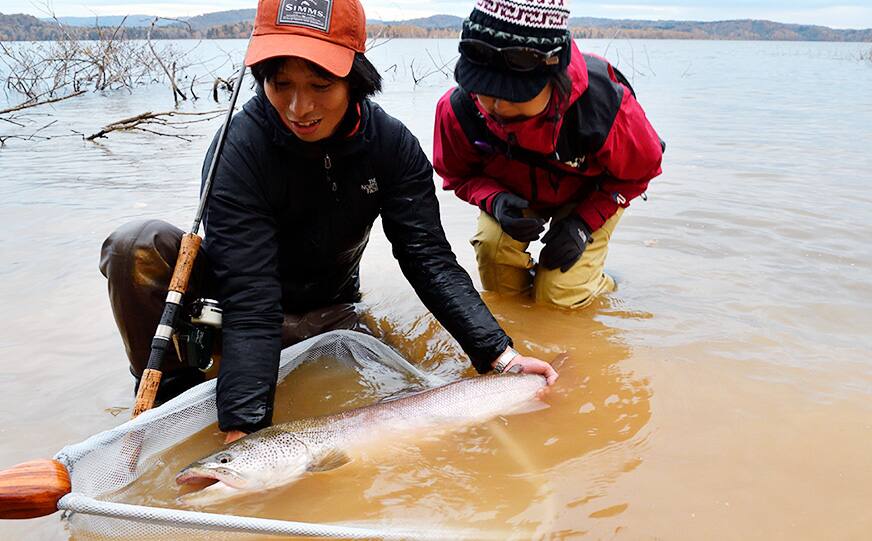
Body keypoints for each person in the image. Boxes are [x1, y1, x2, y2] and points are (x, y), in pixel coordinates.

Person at [99, 0, 557, 444]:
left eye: (320, 85)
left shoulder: (392, 147)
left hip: (326, 314)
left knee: (397, 390)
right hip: (230, 304)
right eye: (281, 85)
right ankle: (174, 400)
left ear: (355, 79)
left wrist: (498, 354)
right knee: (135, 244)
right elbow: (250, 292)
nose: (299, 107)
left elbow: (429, 261)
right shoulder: (238, 149)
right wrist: (244, 428)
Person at [433, 0, 664, 309]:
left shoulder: (605, 108)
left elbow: (638, 174)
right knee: (498, 274)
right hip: (514, 193)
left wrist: (582, 224)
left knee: (558, 295)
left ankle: (600, 284)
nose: (496, 107)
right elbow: (458, 175)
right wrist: (495, 200)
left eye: (515, 95)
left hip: (589, 195)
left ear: (554, 79)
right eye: (484, 90)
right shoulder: (457, 110)